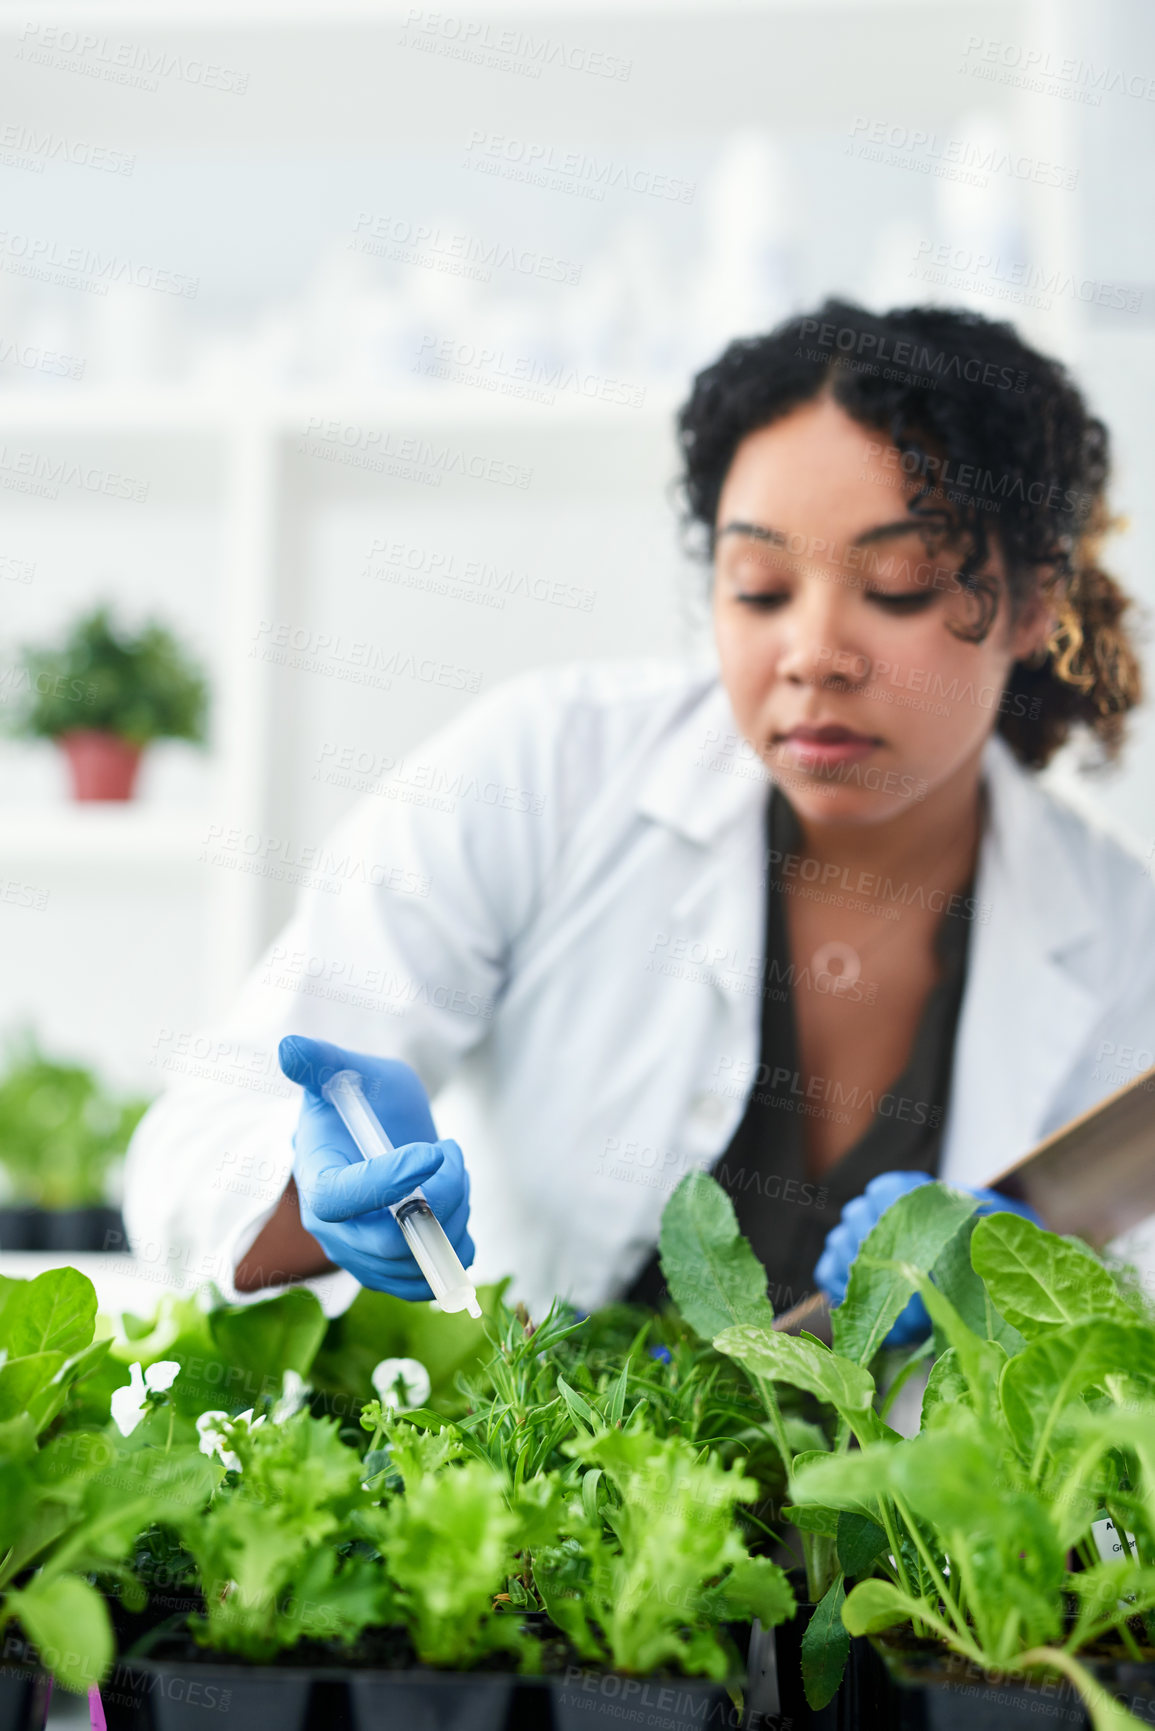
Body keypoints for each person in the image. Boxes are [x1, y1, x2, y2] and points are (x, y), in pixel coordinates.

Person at [124, 298, 1155, 1333]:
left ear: (1032, 605)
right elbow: (198, 1140)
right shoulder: (543, 770)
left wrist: (1046, 1292)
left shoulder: (1122, 940)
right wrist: (304, 1186)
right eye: (759, 588)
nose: (814, 653)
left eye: (897, 585)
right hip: (530, 1485)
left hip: (910, 1502)